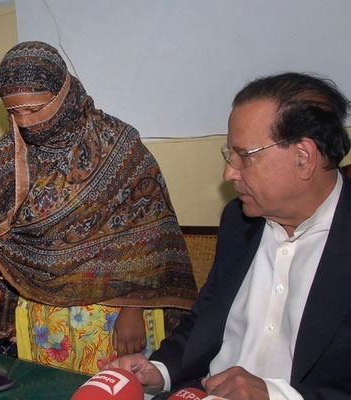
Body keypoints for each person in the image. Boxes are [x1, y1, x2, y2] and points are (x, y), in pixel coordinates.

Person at [104, 72, 351, 399]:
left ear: (303, 158)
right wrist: (160, 371)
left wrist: (275, 395)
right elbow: (205, 322)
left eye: (244, 156)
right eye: (228, 156)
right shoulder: (240, 221)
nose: (228, 173)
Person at [0, 41, 197, 374]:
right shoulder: (10, 153)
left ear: (63, 94)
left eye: (36, 108)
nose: (26, 122)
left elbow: (152, 235)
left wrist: (133, 310)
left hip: (111, 318)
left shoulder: (117, 144)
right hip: (43, 322)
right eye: (14, 112)